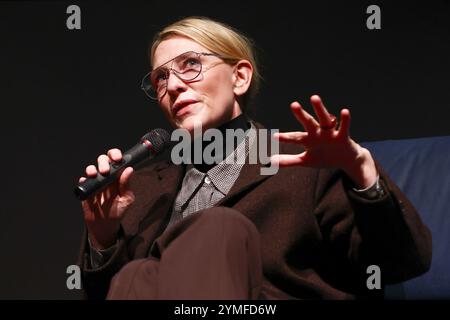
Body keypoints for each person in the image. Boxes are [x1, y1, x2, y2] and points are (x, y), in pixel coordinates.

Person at [77, 16, 431, 300]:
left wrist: (361, 171)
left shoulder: (306, 163)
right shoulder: (139, 190)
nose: (172, 86)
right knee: (138, 275)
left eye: (190, 65)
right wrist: (103, 238)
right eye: (161, 78)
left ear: (240, 77)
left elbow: (401, 262)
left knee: (217, 227)